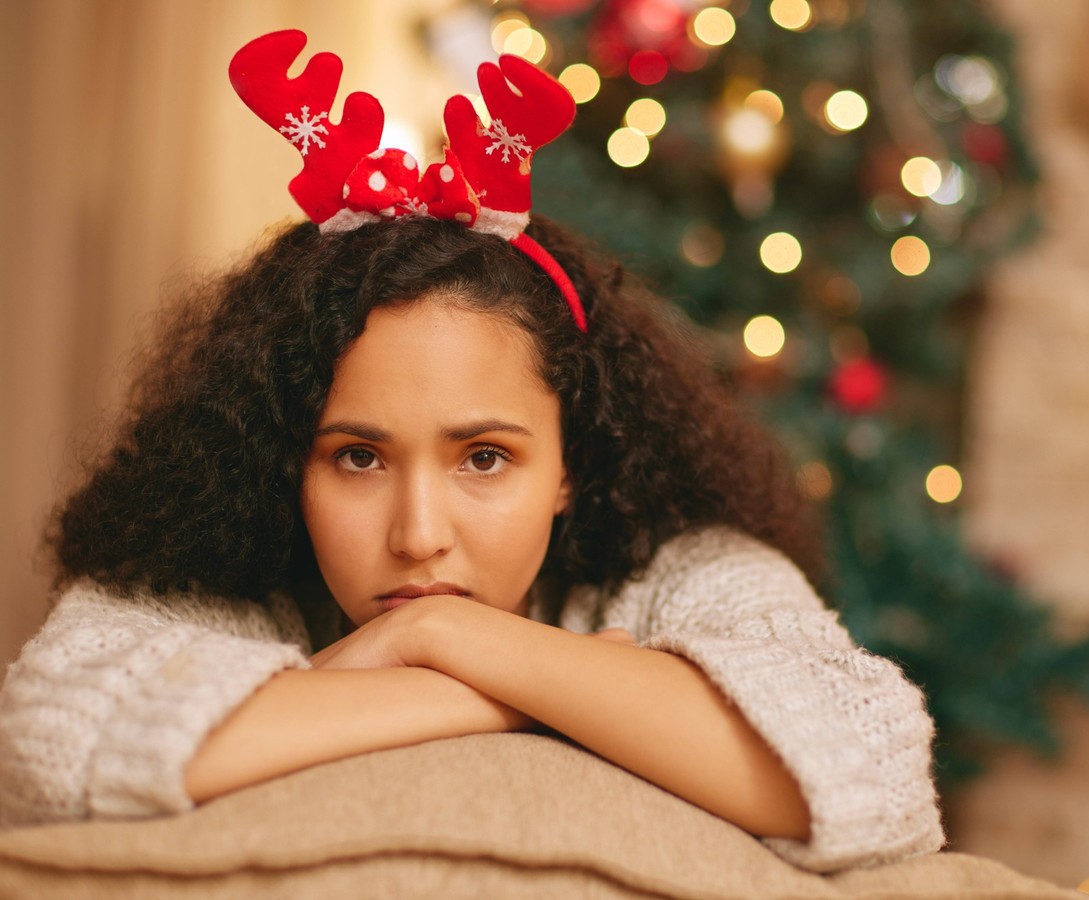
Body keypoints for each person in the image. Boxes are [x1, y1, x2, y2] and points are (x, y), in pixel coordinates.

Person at [0, 33, 943, 874]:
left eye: (484, 457)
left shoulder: (684, 568)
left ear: (573, 458)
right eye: (358, 458)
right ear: (286, 458)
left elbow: (871, 774)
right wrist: (508, 688)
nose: (419, 536)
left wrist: (438, 638)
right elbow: (50, 742)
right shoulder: (210, 578)